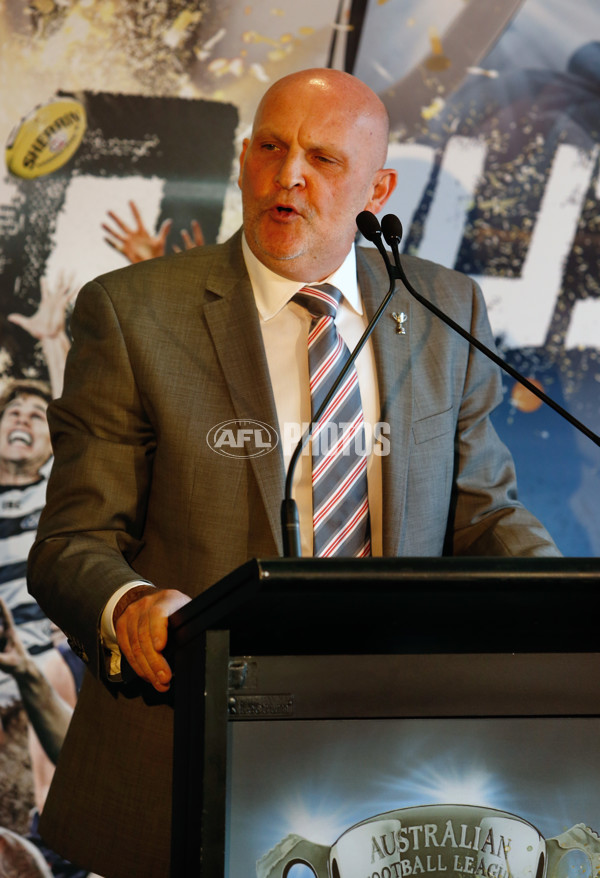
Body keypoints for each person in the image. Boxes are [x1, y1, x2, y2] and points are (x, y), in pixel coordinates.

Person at [28, 68, 559, 878]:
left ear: (377, 186)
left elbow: (485, 515)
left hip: (391, 746)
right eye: (271, 149)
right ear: (243, 162)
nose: (290, 176)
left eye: (323, 158)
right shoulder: (133, 314)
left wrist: (568, 608)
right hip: (186, 746)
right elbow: (71, 543)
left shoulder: (445, 312)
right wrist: (129, 604)